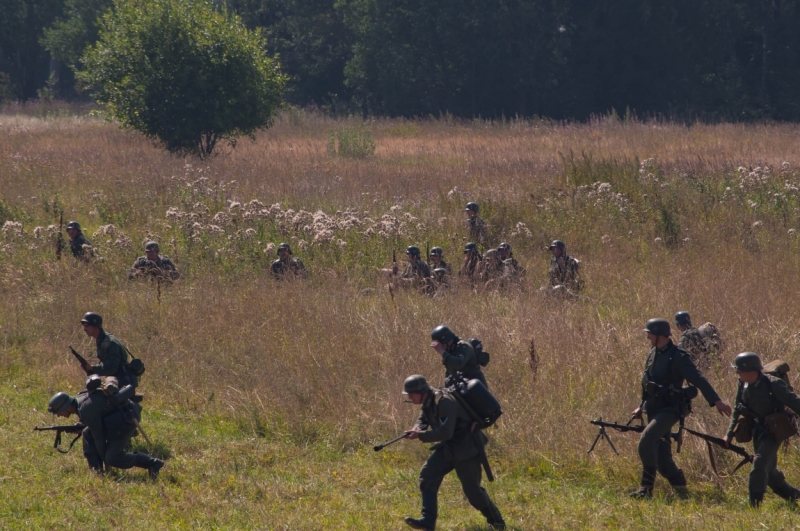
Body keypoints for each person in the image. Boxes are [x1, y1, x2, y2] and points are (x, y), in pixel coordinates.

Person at [630, 318, 731, 499]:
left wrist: (717, 401)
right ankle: (682, 490)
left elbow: (699, 379)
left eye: (649, 334)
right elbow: (646, 384)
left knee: (646, 442)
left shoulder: (679, 356)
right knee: (662, 460)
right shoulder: (652, 354)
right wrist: (640, 407)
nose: (647, 338)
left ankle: (646, 490)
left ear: (660, 336)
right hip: (653, 408)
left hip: (670, 410)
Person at [401, 375, 505, 531]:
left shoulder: (445, 401)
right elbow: (423, 418)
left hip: (466, 449)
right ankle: (427, 521)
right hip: (450, 448)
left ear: (422, 391)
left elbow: (445, 432)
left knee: (473, 493)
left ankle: (497, 522)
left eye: (411, 394)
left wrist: (420, 436)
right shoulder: (429, 401)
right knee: (427, 475)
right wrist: (417, 428)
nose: (409, 397)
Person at [723, 352, 800, 507]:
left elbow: (795, 403)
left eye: (739, 370)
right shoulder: (742, 384)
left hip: (774, 432)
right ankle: (793, 495)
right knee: (770, 471)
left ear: (751, 371)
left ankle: (754, 504)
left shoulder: (774, 384)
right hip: (756, 431)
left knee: (759, 463)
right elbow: (737, 409)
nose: (737, 373)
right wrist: (729, 433)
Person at [47, 384, 163, 478]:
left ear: (66, 407)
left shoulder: (85, 410)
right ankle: (96, 470)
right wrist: (84, 426)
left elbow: (99, 438)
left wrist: (106, 462)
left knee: (112, 457)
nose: (58, 416)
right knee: (87, 432)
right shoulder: (80, 402)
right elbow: (98, 415)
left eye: (58, 412)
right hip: (117, 417)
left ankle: (152, 463)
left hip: (126, 419)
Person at [79, 312, 138, 389]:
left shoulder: (109, 342)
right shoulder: (101, 340)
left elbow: (112, 368)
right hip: (117, 381)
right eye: (83, 326)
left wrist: (92, 368)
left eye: (87, 326)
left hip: (123, 382)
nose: (84, 329)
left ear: (95, 326)